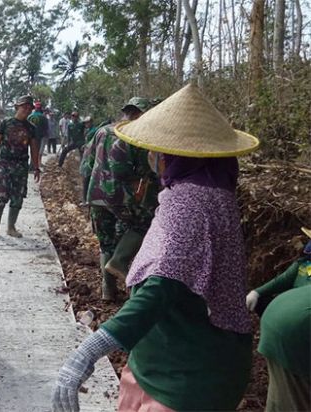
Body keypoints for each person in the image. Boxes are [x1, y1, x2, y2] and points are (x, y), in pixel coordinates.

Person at [52, 83, 261, 412]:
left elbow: (163, 285)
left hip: (184, 378)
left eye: (162, 151)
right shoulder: (212, 190)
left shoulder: (192, 202)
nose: (155, 157)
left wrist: (90, 348)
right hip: (169, 359)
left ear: (182, 155)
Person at [84, 98, 158, 301]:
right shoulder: (133, 134)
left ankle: (108, 290)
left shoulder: (101, 131)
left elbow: (87, 163)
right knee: (144, 223)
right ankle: (119, 261)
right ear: (139, 114)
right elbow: (140, 169)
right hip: (120, 195)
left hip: (96, 195)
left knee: (106, 242)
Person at [245, 228, 311, 412]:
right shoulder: (303, 266)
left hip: (282, 323)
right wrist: (257, 292)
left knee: (285, 396)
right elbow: (282, 280)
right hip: (294, 329)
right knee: (297, 399)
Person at [0, 95, 41, 239]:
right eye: (24, 106)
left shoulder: (31, 128)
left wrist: (36, 167)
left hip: (21, 166)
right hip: (5, 164)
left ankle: (11, 227)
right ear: (17, 107)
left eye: (30, 108)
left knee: (18, 197)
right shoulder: (5, 123)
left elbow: (34, 148)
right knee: (0, 195)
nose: (27, 109)